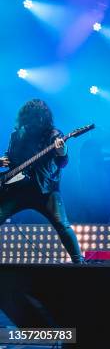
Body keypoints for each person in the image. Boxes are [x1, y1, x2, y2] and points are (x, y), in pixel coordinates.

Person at [0, 99, 84, 263]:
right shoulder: (17, 134)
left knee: (62, 225)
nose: (32, 123)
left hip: (45, 189)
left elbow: (62, 163)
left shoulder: (54, 135)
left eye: (36, 118)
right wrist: (3, 160)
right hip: (17, 189)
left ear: (42, 118)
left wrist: (62, 152)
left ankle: (79, 262)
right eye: (29, 118)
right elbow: (11, 158)